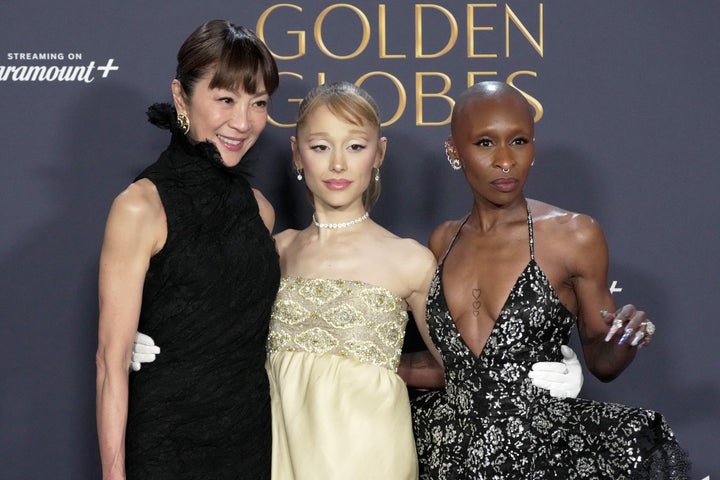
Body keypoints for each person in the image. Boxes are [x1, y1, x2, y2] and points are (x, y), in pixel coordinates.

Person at [130, 81, 584, 478]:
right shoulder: (274, 251)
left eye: (355, 145)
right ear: (297, 154)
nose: (338, 165)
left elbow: (464, 367)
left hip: (371, 455)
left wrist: (544, 364)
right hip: (276, 453)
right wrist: (154, 341)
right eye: (321, 146)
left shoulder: (410, 260)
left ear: (379, 153)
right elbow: (216, 338)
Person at [409, 80, 690, 478]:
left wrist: (627, 338)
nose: (505, 160)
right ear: (455, 151)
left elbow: (602, 361)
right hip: (444, 452)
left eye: (519, 141)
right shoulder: (442, 241)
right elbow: (448, 365)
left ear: (534, 147)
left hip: (538, 455)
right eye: (485, 143)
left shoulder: (573, 235)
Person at [95, 20, 280, 479]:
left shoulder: (261, 212)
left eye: (258, 103)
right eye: (225, 99)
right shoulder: (141, 207)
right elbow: (109, 362)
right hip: (166, 445)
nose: (243, 121)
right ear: (181, 97)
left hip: (250, 443)